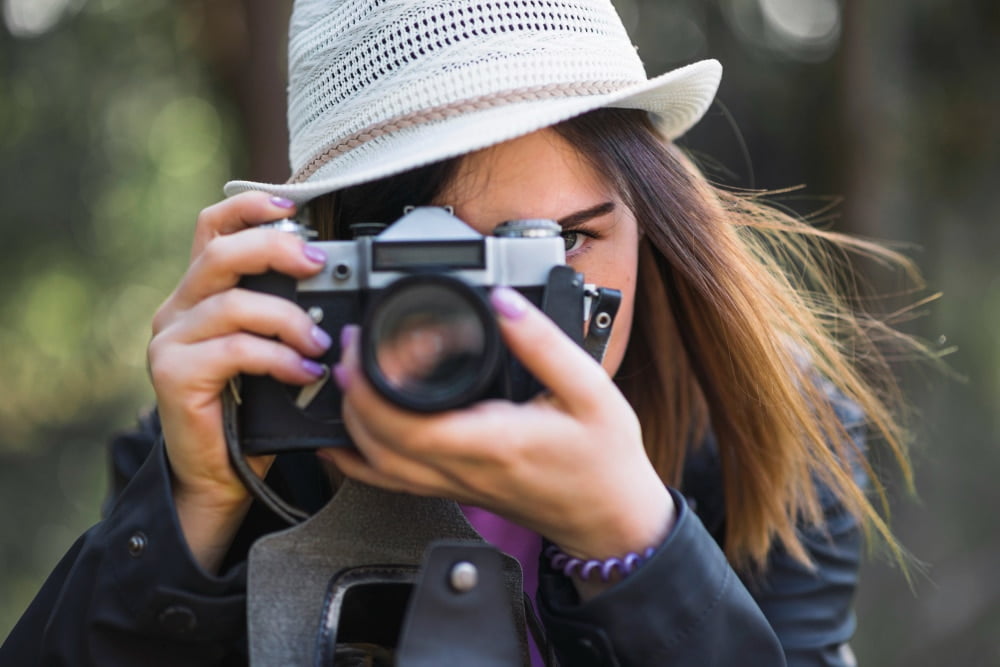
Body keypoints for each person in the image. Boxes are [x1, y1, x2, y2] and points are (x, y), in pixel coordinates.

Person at [2, 0, 916, 665]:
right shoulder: (254, 427)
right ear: (319, 257)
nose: (487, 313)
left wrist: (635, 544)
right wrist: (187, 516)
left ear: (656, 224)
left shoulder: (769, 434)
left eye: (556, 243)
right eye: (426, 267)